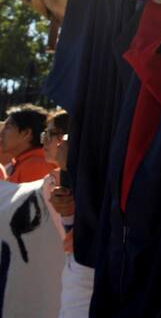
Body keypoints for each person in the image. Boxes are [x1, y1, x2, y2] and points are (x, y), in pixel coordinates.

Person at [41, 109, 96, 318]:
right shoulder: (55, 179)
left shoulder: (58, 178)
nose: (44, 142)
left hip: (85, 264)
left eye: (50, 134)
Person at [1, 103, 56, 183]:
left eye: (8, 127)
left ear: (26, 133)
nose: (1, 133)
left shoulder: (34, 167)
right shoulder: (25, 163)